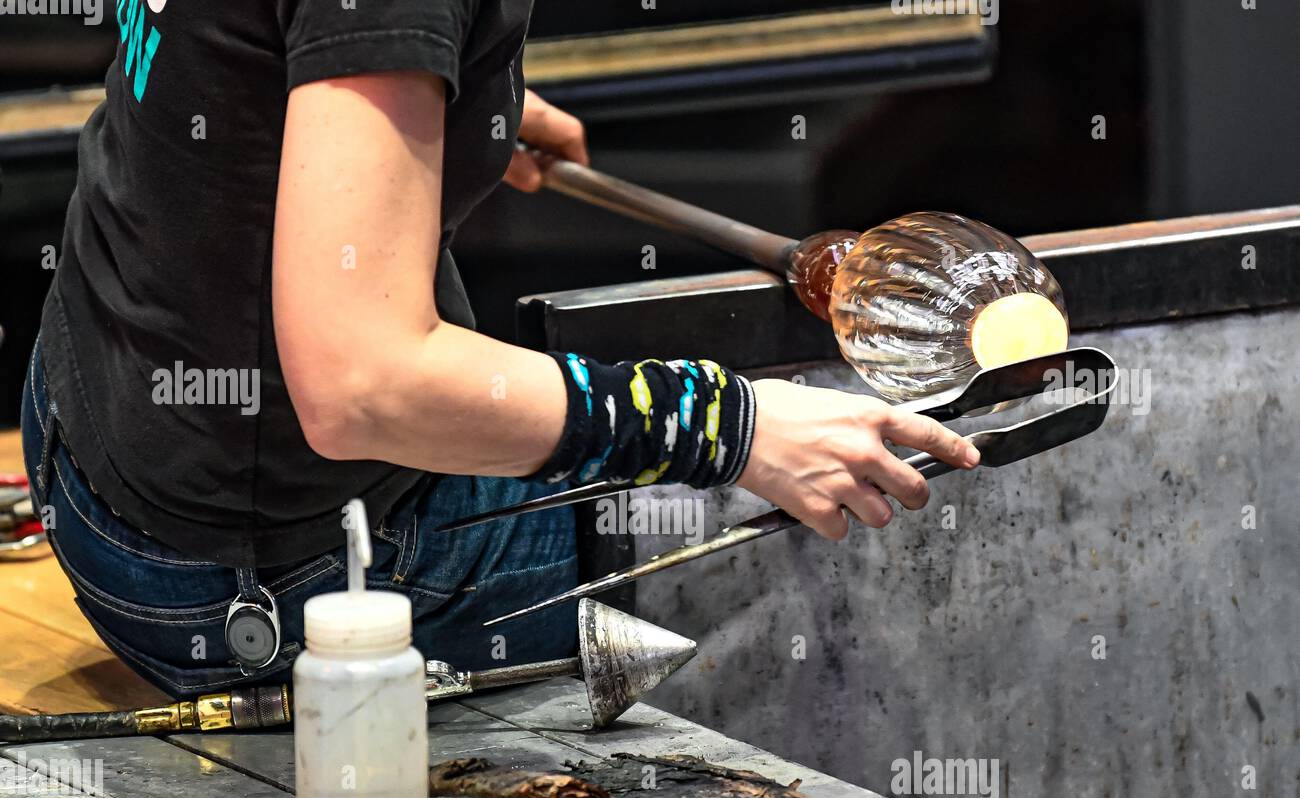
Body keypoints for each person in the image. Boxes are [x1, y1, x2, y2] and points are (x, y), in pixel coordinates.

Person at [22, 1, 980, 699]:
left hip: (87, 422)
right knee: (800, 553)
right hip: (238, 576)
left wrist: (427, 94)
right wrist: (728, 424)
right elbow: (361, 381)